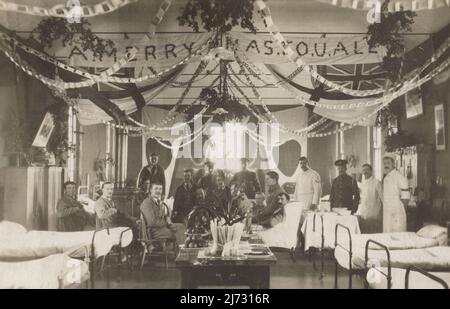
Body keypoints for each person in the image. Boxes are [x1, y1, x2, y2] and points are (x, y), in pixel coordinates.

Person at [382, 155, 410, 232]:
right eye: (384, 163)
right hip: (387, 213)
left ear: (393, 164)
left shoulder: (399, 176)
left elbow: (406, 197)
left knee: (397, 236)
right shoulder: (386, 178)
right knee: (387, 236)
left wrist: (399, 210)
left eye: (388, 163)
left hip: (397, 214)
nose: (386, 165)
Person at [356, 164, 383, 233]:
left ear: (371, 171)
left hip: (374, 214)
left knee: (373, 233)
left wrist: (381, 213)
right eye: (363, 170)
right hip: (363, 214)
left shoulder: (377, 182)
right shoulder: (362, 183)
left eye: (367, 170)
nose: (365, 172)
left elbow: (383, 198)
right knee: (364, 233)